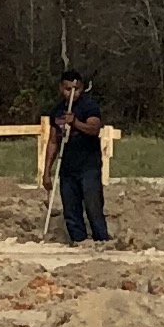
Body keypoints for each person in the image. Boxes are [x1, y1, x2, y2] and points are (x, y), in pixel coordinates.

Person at [54, 68, 111, 245]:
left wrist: (76, 123)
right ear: (61, 89)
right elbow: (52, 141)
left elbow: (94, 129)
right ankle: (78, 241)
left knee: (93, 206)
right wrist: (47, 170)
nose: (72, 93)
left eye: (76, 89)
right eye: (68, 89)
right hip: (67, 167)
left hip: (88, 166)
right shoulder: (56, 111)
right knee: (70, 209)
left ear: (82, 88)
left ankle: (101, 239)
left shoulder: (89, 107)